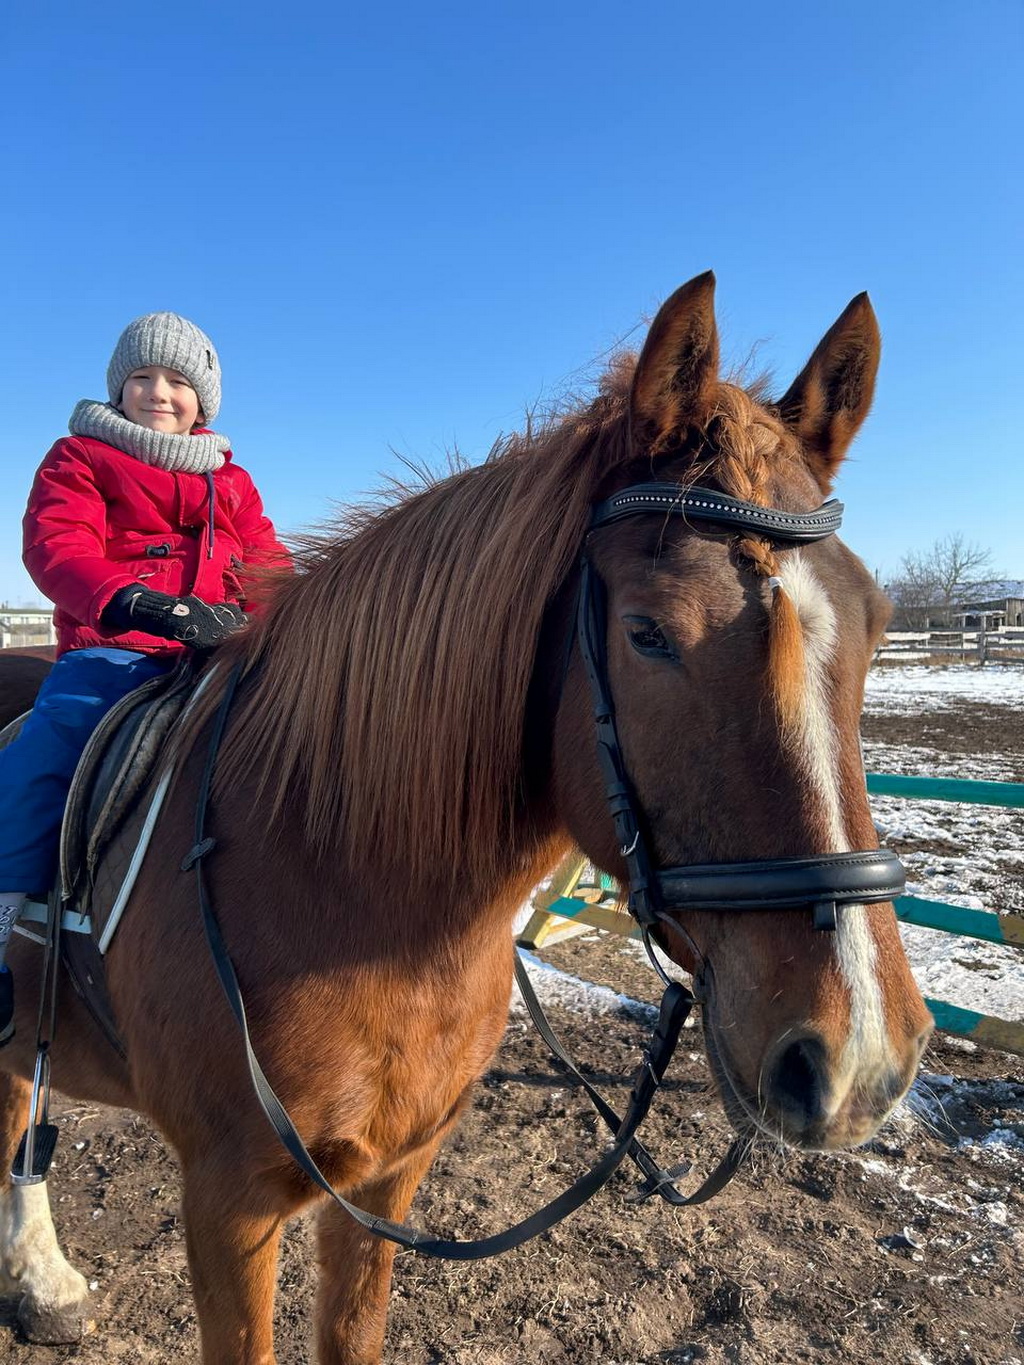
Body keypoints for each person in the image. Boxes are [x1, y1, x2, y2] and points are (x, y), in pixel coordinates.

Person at [0, 312, 289, 1043]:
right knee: (52, 743)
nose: (159, 392)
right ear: (118, 387)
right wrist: (137, 602)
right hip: (116, 645)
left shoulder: (231, 480)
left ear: (202, 400)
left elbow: (267, 562)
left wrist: (278, 617)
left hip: (218, 653)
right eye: (142, 376)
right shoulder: (80, 456)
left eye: (177, 381)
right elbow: (55, 545)